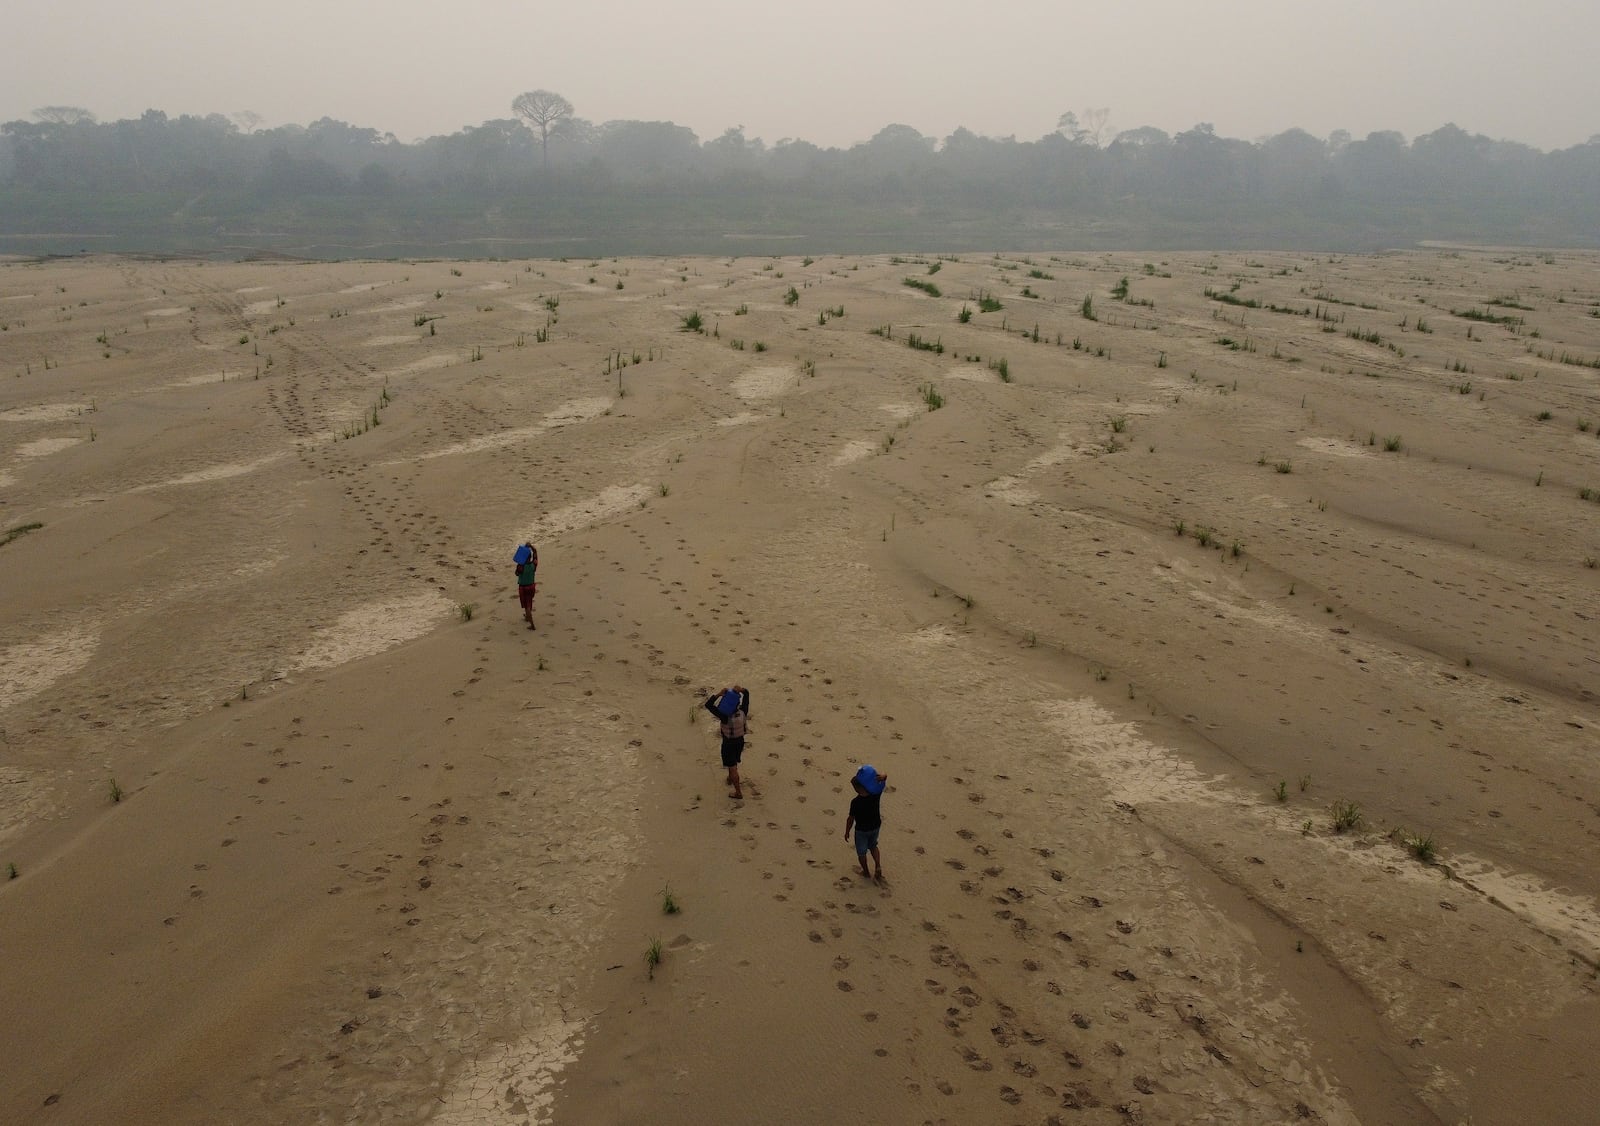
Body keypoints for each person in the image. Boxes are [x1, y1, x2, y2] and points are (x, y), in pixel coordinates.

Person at [704, 685, 750, 799]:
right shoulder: (743, 711)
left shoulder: (724, 716)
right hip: (740, 742)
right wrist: (742, 690)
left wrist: (719, 694)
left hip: (728, 744)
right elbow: (747, 694)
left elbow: (708, 705)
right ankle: (730, 778)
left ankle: (738, 792)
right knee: (733, 763)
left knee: (732, 766)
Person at [844, 764, 888, 882]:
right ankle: (878, 865)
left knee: (861, 853)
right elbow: (884, 776)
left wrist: (847, 831)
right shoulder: (876, 795)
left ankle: (866, 872)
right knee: (873, 846)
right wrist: (880, 777)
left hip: (861, 831)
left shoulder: (855, 802)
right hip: (875, 826)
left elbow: (850, 819)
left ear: (858, 789)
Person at [513, 542, 538, 629]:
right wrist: (531, 546)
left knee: (526, 606)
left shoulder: (521, 566)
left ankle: (532, 625)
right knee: (529, 602)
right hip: (531, 586)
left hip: (523, 587)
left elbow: (516, 573)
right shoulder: (533, 565)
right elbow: (535, 553)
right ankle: (527, 617)